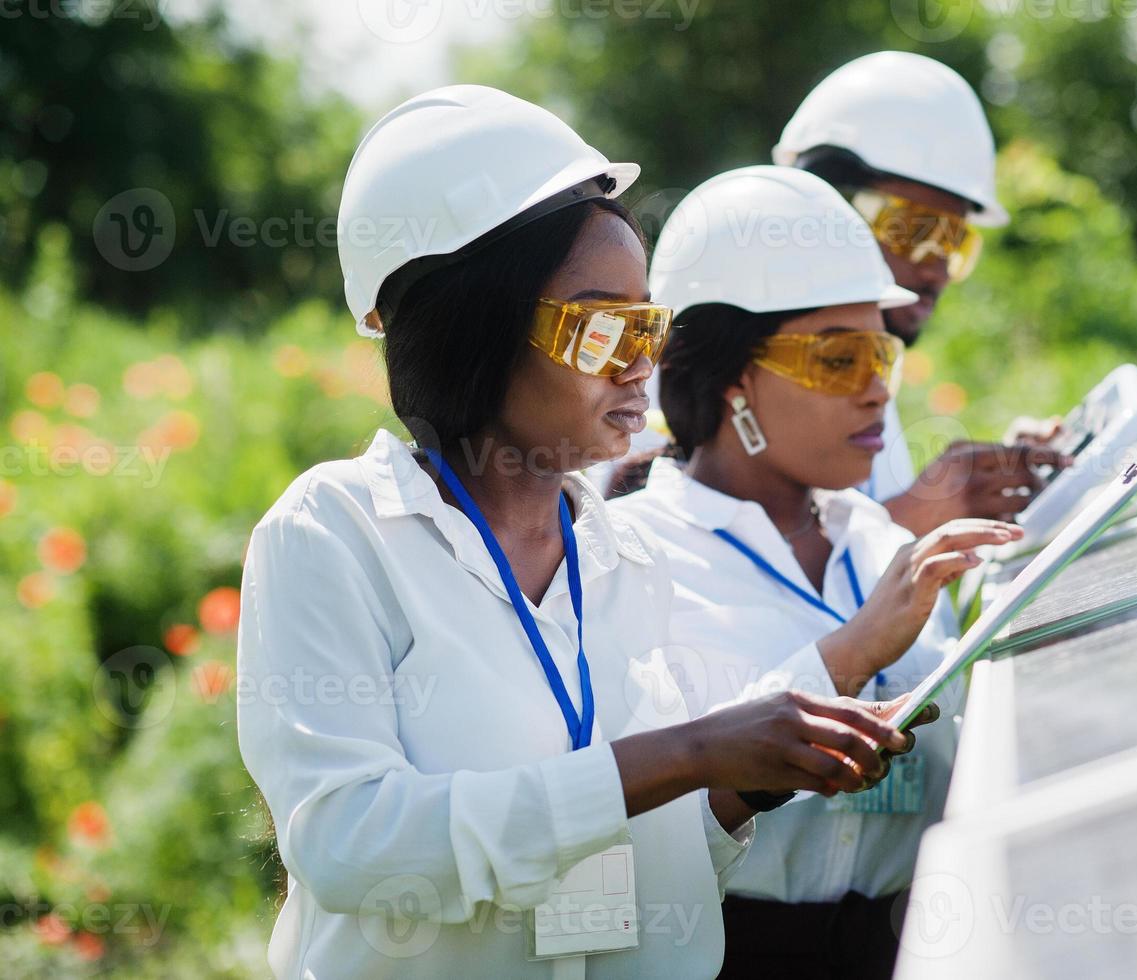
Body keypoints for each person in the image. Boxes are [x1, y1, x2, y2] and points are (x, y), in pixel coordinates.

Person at [236, 86, 927, 980]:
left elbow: (647, 861)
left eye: (648, 324)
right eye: (603, 327)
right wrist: (688, 752)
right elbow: (354, 844)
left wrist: (734, 785)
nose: (642, 361)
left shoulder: (624, 554)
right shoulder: (336, 534)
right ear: (472, 326)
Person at [610, 165, 1025, 979]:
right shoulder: (625, 559)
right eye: (837, 360)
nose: (876, 391)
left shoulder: (878, 542)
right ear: (733, 384)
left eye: (883, 354)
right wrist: (853, 653)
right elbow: (632, 837)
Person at [773, 51, 1074, 536]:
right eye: (913, 231)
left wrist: (978, 486)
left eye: (954, 241)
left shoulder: (869, 372)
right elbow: (747, 587)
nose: (937, 271)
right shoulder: (730, 372)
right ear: (828, 204)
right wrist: (929, 508)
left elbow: (865, 527)